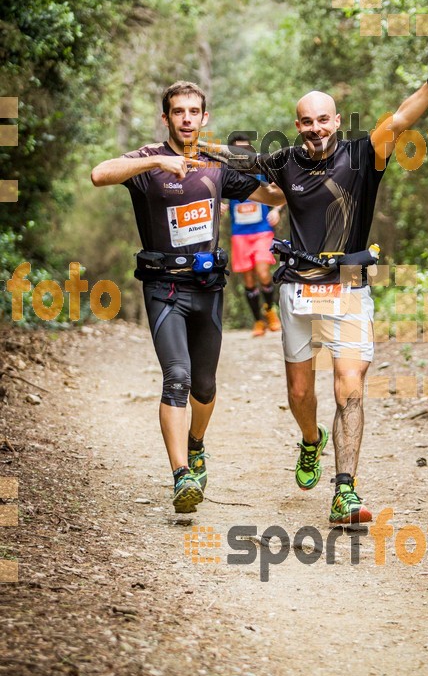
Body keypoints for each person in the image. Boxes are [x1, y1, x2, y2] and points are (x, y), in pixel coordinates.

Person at [253, 37, 428, 525]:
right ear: (297, 125)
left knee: (349, 389)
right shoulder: (285, 162)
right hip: (297, 289)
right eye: (306, 120)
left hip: (348, 287)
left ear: (337, 121)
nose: (316, 128)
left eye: (324, 119)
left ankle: (344, 491)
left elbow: (404, 117)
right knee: (301, 395)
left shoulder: (365, 153)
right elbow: (257, 186)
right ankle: (310, 441)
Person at [90, 81, 284, 514]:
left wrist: (285, 177)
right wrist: (159, 159)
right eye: (178, 111)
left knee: (205, 385)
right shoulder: (147, 163)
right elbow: (99, 174)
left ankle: (196, 444)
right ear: (167, 117)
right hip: (163, 288)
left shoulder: (216, 166)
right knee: (176, 377)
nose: (186, 118)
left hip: (207, 288)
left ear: (204, 117)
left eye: (194, 111)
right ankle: (181, 477)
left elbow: (273, 194)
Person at [228, 133, 283, 337]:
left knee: (263, 272)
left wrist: (276, 210)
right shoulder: (228, 172)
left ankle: (270, 313)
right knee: (249, 280)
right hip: (239, 234)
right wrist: (220, 207)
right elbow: (214, 194)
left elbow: (282, 191)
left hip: (261, 231)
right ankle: (258, 321)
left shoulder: (261, 170)